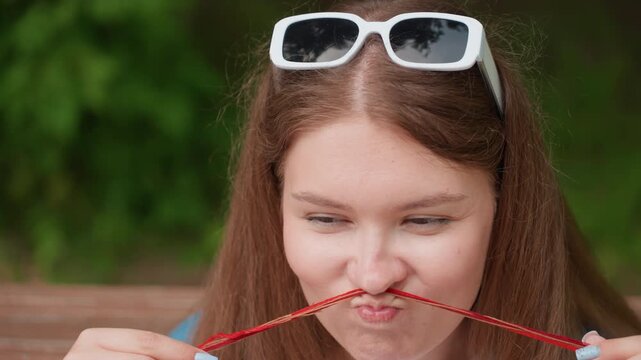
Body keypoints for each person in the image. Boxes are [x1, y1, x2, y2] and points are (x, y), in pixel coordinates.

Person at [64, 0, 641, 359]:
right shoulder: (202, 346)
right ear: (274, 205)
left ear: (506, 201)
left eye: (425, 220)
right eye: (325, 218)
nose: (372, 276)